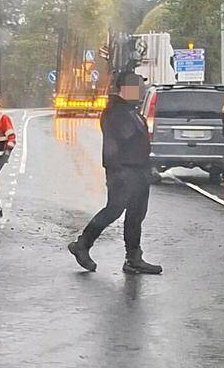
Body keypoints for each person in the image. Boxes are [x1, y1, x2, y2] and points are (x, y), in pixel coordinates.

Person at [67, 72, 163, 275]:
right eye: (136, 86)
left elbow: (139, 143)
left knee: (136, 215)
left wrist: (149, 167)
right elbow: (112, 146)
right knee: (114, 210)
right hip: (123, 171)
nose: (141, 90)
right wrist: (116, 171)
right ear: (124, 89)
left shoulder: (131, 110)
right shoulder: (115, 112)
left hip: (138, 172)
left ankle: (133, 258)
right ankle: (82, 245)